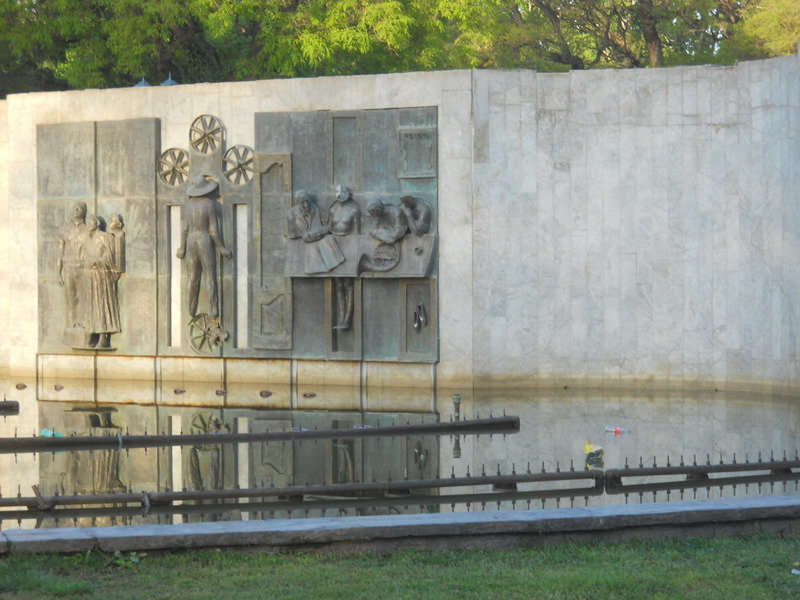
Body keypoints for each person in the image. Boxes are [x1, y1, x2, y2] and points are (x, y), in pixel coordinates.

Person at [176, 175, 232, 318]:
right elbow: (213, 230)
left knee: (192, 277)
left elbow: (184, 228)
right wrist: (220, 247)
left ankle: (190, 308)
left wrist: (181, 247)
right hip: (204, 240)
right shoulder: (209, 204)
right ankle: (213, 308)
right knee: (209, 275)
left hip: (190, 241)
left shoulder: (187, 205)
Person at [80, 214, 121, 348]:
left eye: (90, 221)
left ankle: (104, 336)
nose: (88, 224)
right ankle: (91, 332)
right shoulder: (86, 239)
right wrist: (87, 263)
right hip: (89, 276)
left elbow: (110, 257)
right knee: (90, 305)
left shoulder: (107, 237)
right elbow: (83, 257)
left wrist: (97, 261)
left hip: (102, 275)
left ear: (97, 223)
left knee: (102, 304)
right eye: (86, 222)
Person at [326, 185, 361, 330]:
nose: (339, 195)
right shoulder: (333, 209)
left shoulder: (354, 210)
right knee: (338, 284)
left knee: (348, 284)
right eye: (337, 193)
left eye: (342, 193)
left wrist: (355, 253)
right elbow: (329, 228)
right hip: (335, 245)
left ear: (348, 194)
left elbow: (358, 234)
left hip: (349, 246)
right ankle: (341, 318)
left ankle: (348, 319)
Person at [57, 201, 88, 329]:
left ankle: (82, 323)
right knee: (71, 298)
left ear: (83, 211)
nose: (75, 210)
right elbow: (60, 252)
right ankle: (71, 324)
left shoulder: (88, 229)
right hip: (69, 267)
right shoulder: (63, 229)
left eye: (78, 208)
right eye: (74, 207)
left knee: (83, 297)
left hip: (83, 267)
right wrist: (58, 274)